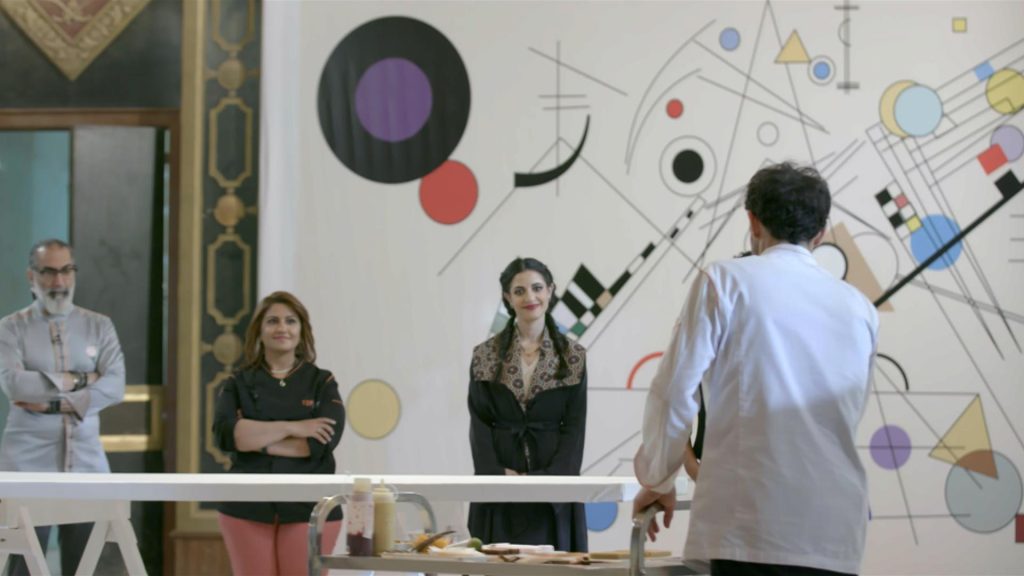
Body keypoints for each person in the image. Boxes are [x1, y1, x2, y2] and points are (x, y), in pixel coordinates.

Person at [633, 163, 879, 576]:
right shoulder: (861, 309)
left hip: (751, 524)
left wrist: (658, 480)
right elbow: (847, 413)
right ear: (820, 233)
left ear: (752, 222)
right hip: (836, 532)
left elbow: (674, 392)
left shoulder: (724, 281)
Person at [0, 239, 126, 576]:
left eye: (67, 270)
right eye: (49, 272)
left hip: (86, 460)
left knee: (86, 563)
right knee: (24, 565)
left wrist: (55, 399)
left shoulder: (99, 325)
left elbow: (115, 386)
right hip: (26, 461)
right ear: (32, 276)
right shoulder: (11, 327)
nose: (59, 281)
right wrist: (85, 380)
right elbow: (14, 384)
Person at [212, 291, 345, 576]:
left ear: (302, 330)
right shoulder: (238, 382)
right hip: (246, 506)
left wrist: (255, 438)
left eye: (290, 321)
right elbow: (226, 435)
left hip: (310, 507)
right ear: (259, 330)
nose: (282, 328)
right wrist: (292, 427)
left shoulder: (322, 382)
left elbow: (319, 444)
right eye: (272, 321)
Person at [467, 257, 589, 552]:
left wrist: (547, 481)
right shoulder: (484, 355)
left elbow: (574, 427)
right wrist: (497, 475)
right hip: (500, 490)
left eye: (537, 288)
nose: (530, 297)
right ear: (508, 298)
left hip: (553, 492)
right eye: (519, 291)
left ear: (550, 291)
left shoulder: (573, 356)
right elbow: (479, 423)